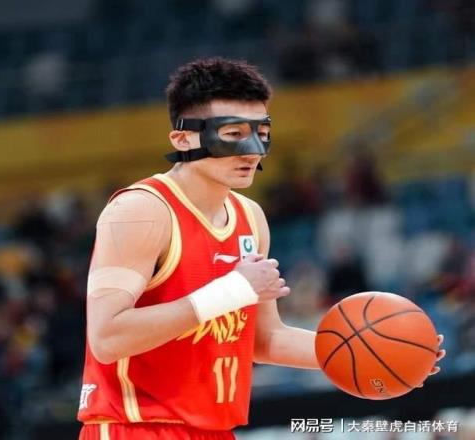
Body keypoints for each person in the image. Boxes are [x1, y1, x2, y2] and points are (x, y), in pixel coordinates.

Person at [77, 57, 444, 440]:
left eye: (262, 133)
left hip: (214, 430)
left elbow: (263, 339)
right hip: (136, 427)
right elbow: (107, 339)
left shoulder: (250, 218)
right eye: (233, 133)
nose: (253, 150)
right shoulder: (140, 211)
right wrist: (231, 291)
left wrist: (381, 353)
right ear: (183, 139)